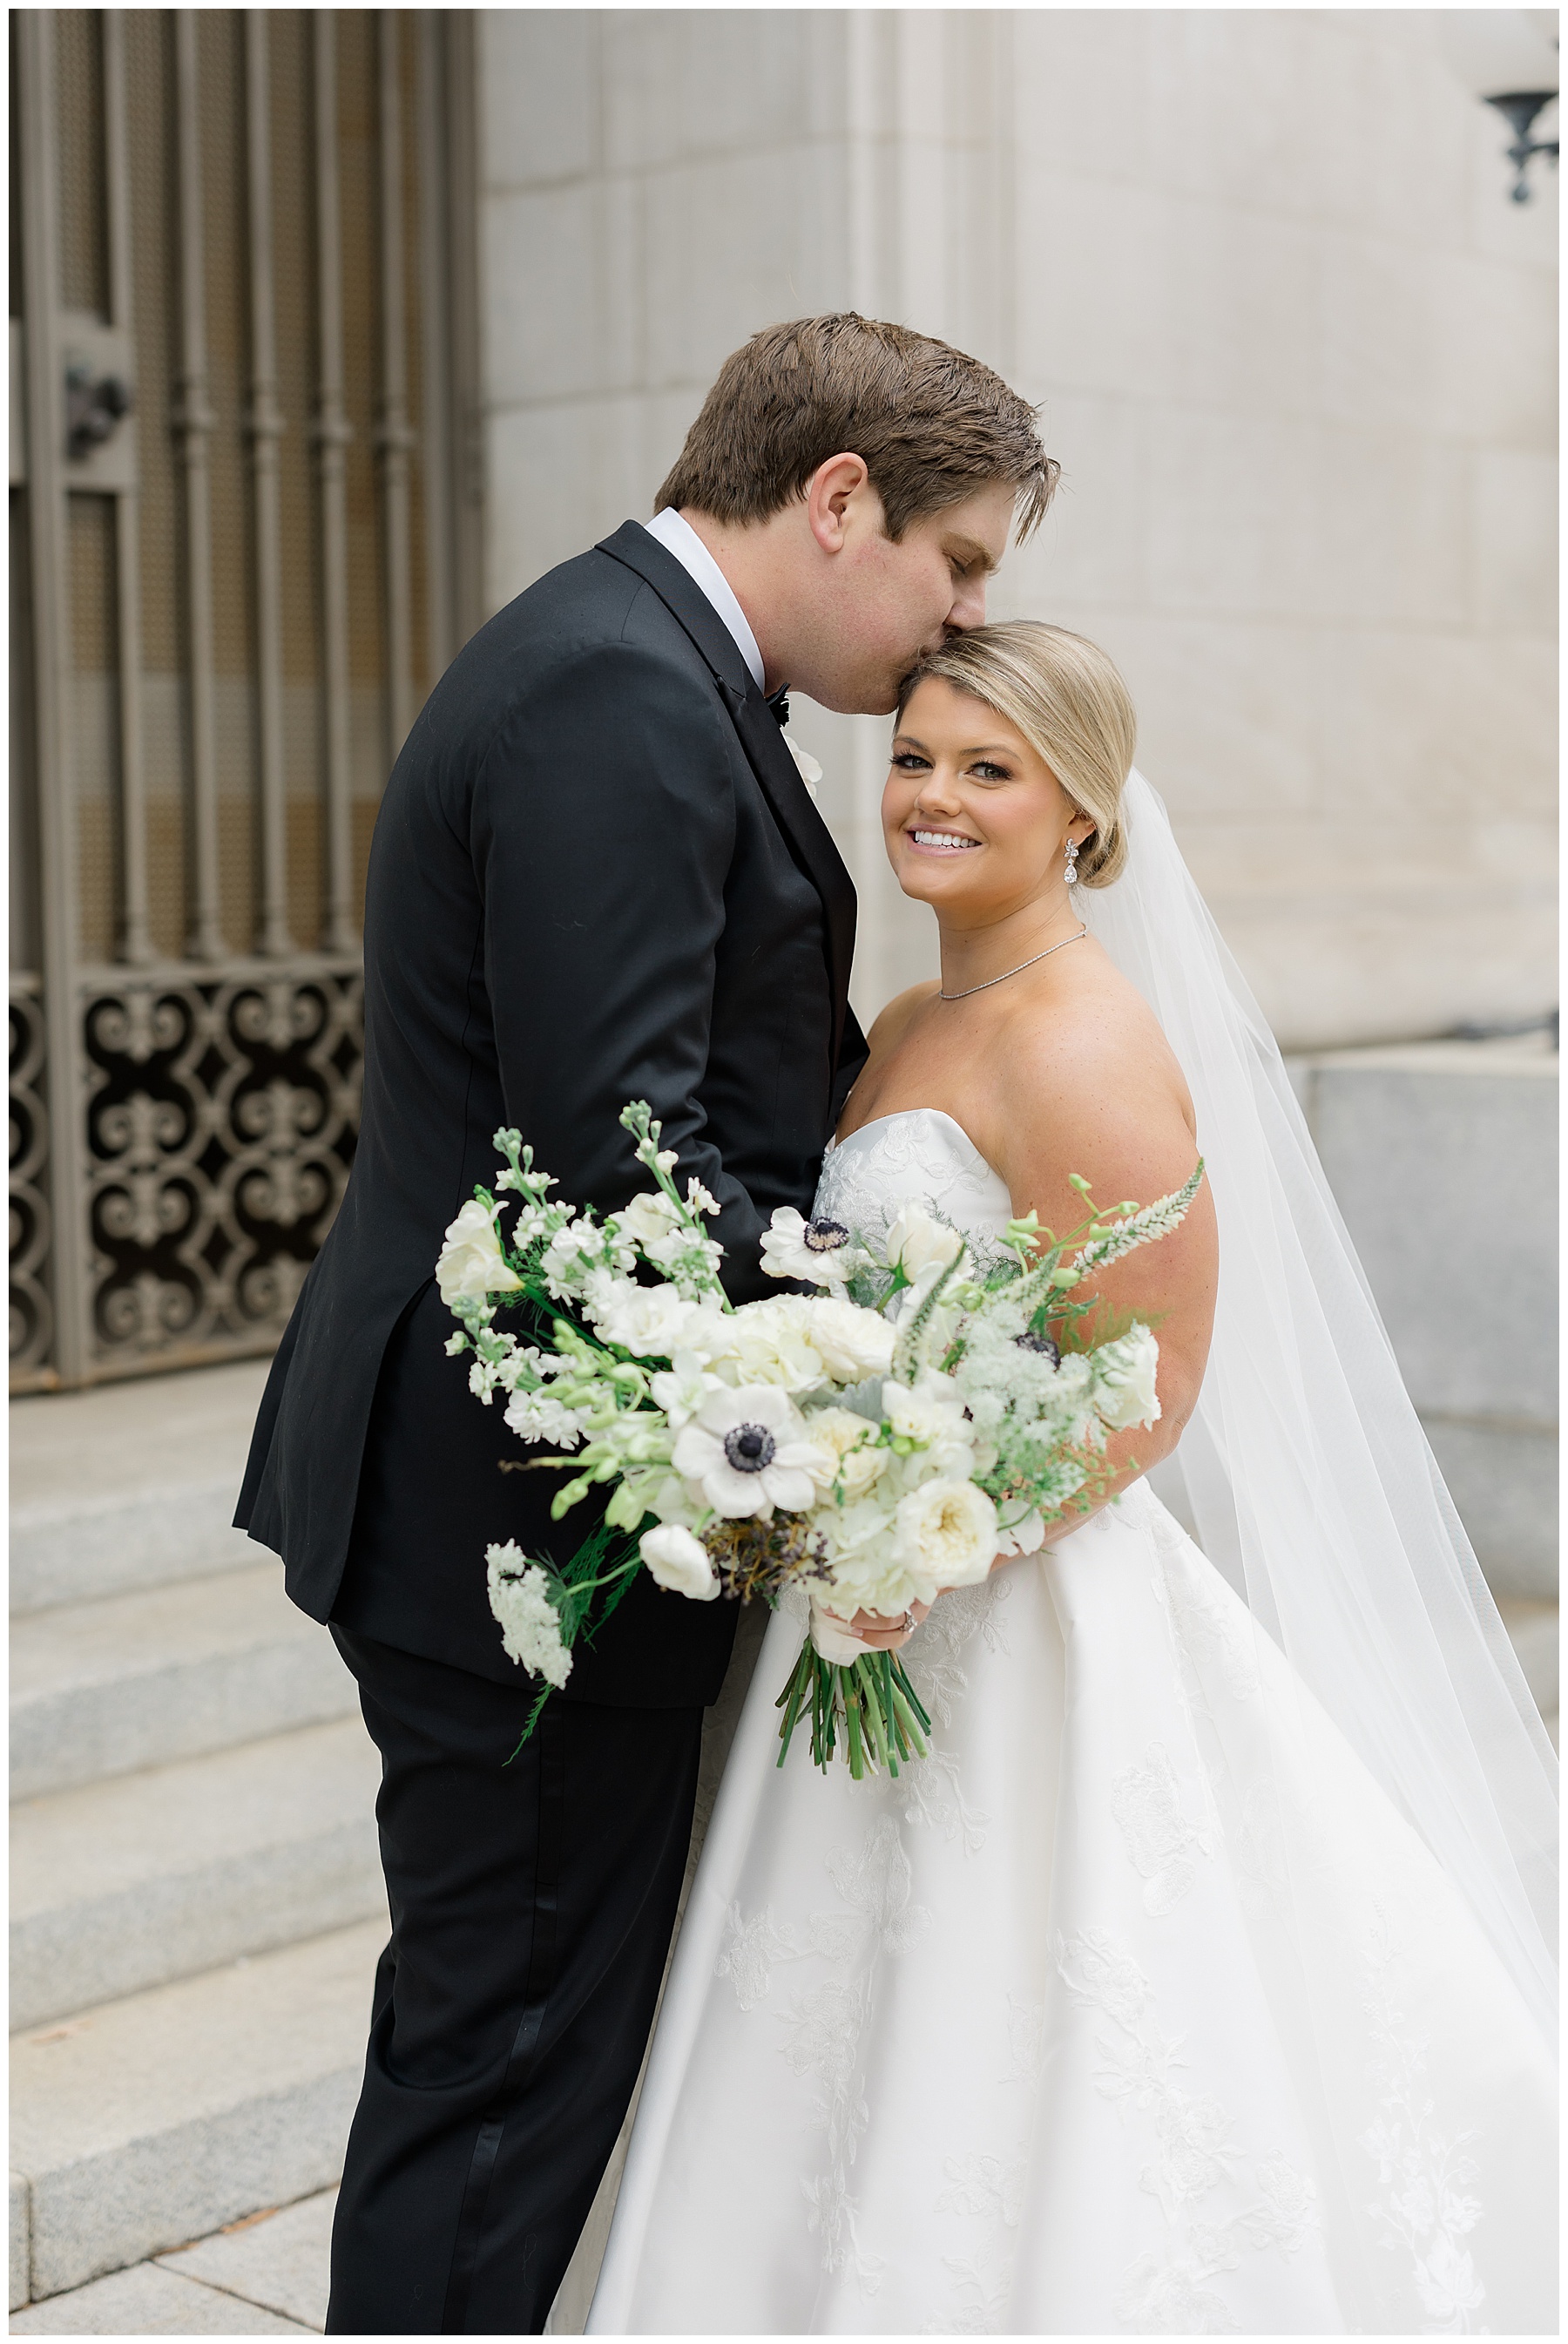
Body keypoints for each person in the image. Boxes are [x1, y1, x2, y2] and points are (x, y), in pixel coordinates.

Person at [585, 622, 1558, 2335]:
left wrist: (922, 1542)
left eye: (990, 769)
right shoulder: (910, 1017)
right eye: (914, 757)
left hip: (1008, 1606)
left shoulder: (1082, 1040)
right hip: (868, 1586)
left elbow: (1149, 1384)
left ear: (1086, 813)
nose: (933, 796)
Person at [233, 315, 1058, 2334]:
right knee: (506, 2070)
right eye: (958, 559)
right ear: (840, 499)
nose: (964, 614)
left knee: (505, 2042)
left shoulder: (644, 664)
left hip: (527, 1489)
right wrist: (865, 1399)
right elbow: (624, 1160)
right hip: (520, 1513)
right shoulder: (618, 691)